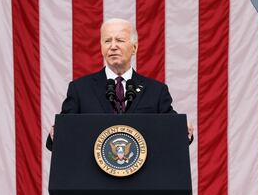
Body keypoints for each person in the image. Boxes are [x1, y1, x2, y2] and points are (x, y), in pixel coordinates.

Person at [46, 18, 193, 150]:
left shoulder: (156, 91)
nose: (113, 46)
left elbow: (174, 132)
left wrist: (184, 131)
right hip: (94, 178)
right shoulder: (80, 89)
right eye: (107, 41)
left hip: (142, 178)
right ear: (101, 47)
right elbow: (61, 136)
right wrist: (56, 133)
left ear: (134, 48)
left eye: (120, 40)